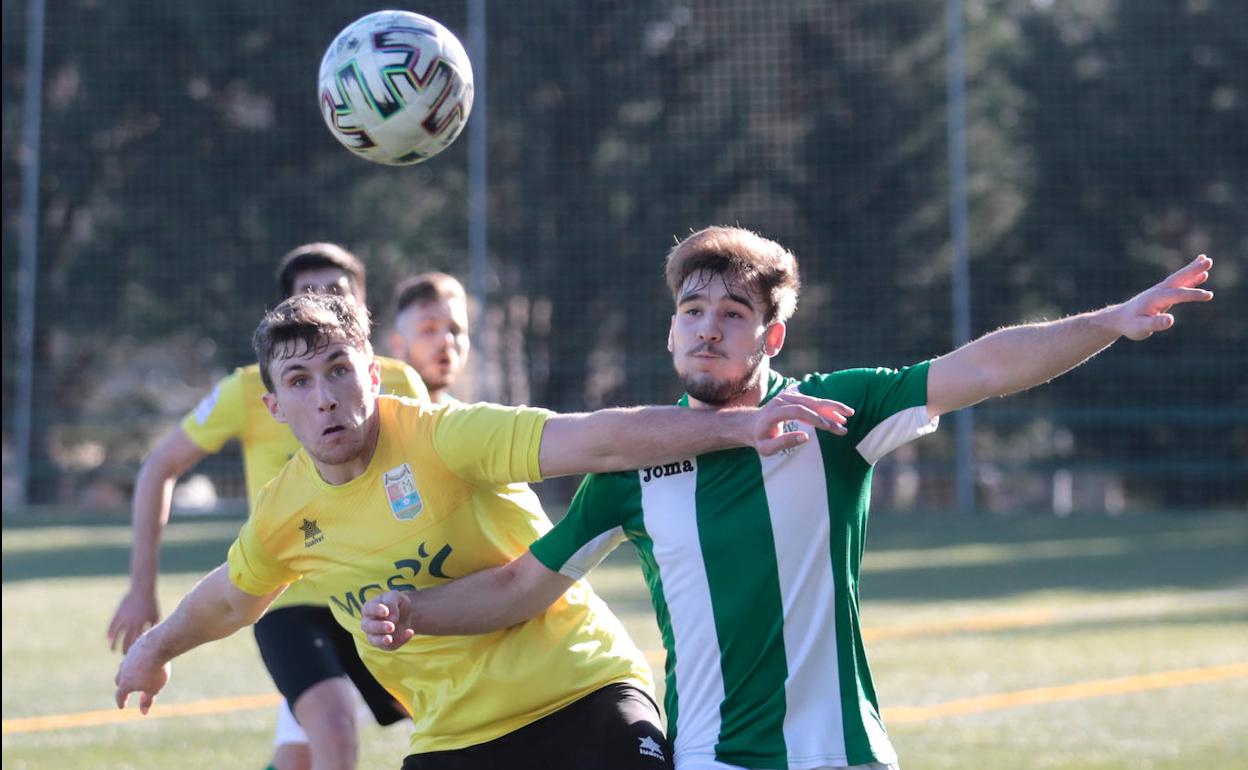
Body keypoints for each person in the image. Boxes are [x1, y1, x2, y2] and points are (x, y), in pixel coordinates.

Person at [356, 226, 1215, 770]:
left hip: (841, 751)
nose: (707, 326)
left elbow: (982, 367)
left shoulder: (835, 412)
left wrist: (1110, 319)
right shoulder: (628, 465)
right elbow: (519, 586)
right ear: (669, 329)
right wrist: (416, 612)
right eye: (691, 309)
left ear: (770, 336)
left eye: (732, 313)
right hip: (709, 758)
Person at [113, 291, 855, 770]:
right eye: (301, 382)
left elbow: (597, 438)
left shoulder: (443, 436)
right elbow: (232, 598)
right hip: (455, 742)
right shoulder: (284, 512)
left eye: (340, 369)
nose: (327, 397)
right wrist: (153, 647)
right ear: (275, 409)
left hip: (582, 693)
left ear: (374, 374)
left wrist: (738, 426)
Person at [106, 243, 428, 770]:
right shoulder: (250, 389)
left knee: (440, 723)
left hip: (381, 589)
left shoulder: (395, 382)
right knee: (333, 727)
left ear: (363, 305)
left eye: (338, 295)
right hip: (290, 602)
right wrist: (142, 586)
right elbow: (158, 468)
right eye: (309, 295)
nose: (323, 306)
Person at [389, 272, 471, 404]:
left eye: (455, 330)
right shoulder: (372, 418)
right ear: (398, 345)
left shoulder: (465, 419)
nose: (447, 340)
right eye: (429, 329)